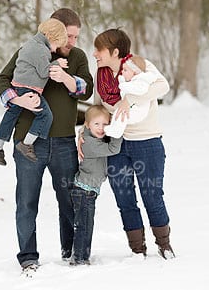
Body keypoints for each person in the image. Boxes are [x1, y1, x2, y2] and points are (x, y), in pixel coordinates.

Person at [0, 8, 93, 273]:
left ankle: (70, 250)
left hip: (63, 142)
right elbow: (1, 83)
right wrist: (16, 98)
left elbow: (87, 90)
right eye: (68, 36)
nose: (71, 42)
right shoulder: (29, 50)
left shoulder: (77, 56)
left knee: (69, 199)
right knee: (26, 201)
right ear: (53, 31)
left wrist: (68, 80)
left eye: (75, 37)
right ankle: (28, 257)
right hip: (28, 144)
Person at [92, 28, 175, 259]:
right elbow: (98, 107)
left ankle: (164, 244)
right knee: (124, 198)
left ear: (114, 51)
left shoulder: (139, 64)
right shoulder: (102, 75)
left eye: (99, 49)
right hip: (116, 143)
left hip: (146, 141)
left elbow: (162, 86)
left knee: (152, 195)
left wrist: (129, 98)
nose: (94, 54)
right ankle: (137, 249)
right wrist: (86, 130)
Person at [0, 19, 70, 165]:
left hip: (17, 87)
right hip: (29, 90)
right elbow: (44, 71)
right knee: (45, 115)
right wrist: (57, 63)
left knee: (11, 115)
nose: (55, 50)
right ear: (50, 37)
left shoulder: (28, 44)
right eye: (56, 45)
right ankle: (26, 144)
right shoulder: (41, 50)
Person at [70, 105, 122, 265]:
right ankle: (79, 258)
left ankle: (82, 256)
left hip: (88, 190)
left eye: (105, 124)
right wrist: (117, 129)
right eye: (96, 124)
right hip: (84, 191)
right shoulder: (89, 144)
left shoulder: (90, 137)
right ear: (87, 125)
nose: (101, 128)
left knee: (86, 224)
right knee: (84, 225)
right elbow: (113, 148)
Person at [102, 54, 159, 138]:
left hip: (139, 111)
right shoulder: (131, 82)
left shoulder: (141, 81)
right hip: (132, 108)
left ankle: (116, 131)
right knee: (118, 113)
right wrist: (122, 81)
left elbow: (141, 90)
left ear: (135, 72)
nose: (122, 72)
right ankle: (114, 128)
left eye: (125, 70)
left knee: (122, 116)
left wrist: (124, 86)